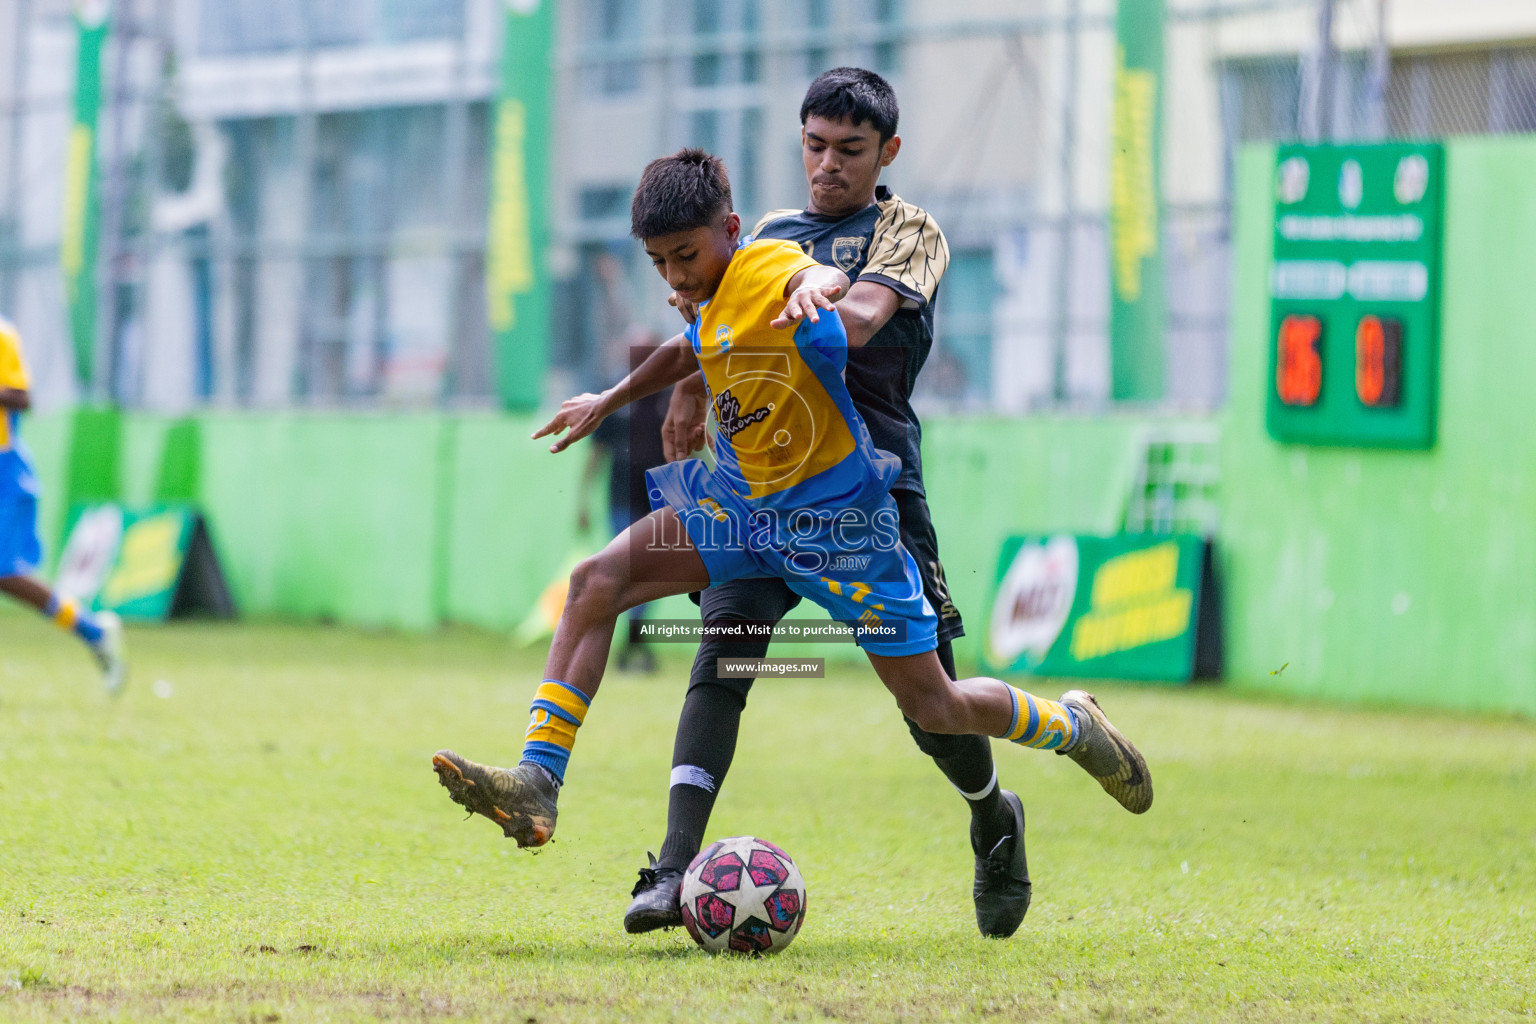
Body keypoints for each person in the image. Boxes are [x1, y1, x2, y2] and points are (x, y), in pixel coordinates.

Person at [429, 149, 1151, 898]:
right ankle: (539, 779)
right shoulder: (703, 296)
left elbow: (813, 276)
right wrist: (608, 399)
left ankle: (1072, 726)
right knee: (595, 580)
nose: (676, 276)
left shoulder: (768, 264)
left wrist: (818, 284)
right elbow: (691, 346)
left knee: (935, 705)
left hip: (841, 532)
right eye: (659, 262)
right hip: (741, 513)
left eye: (687, 255)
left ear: (730, 230)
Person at [626, 67, 1038, 939]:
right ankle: (669, 872)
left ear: (886, 152)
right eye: (814, 146)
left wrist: (816, 296)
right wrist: (689, 393)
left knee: (932, 707)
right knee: (724, 656)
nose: (826, 165)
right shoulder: (772, 231)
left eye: (849, 151)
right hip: (758, 491)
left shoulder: (909, 230)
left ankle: (992, 813)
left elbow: (855, 322)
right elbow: (714, 326)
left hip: (870, 490)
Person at [0, 315, 126, 692]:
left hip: (5, 472)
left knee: (6, 573)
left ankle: (92, 630)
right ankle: (91, 630)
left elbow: (23, 398)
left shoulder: (2, 335)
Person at [577, 326, 670, 673]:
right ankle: (630, 641)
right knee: (624, 569)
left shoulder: (672, 393)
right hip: (620, 497)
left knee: (654, 574)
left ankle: (633, 638)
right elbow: (596, 453)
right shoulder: (615, 396)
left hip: (662, 500)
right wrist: (583, 501)